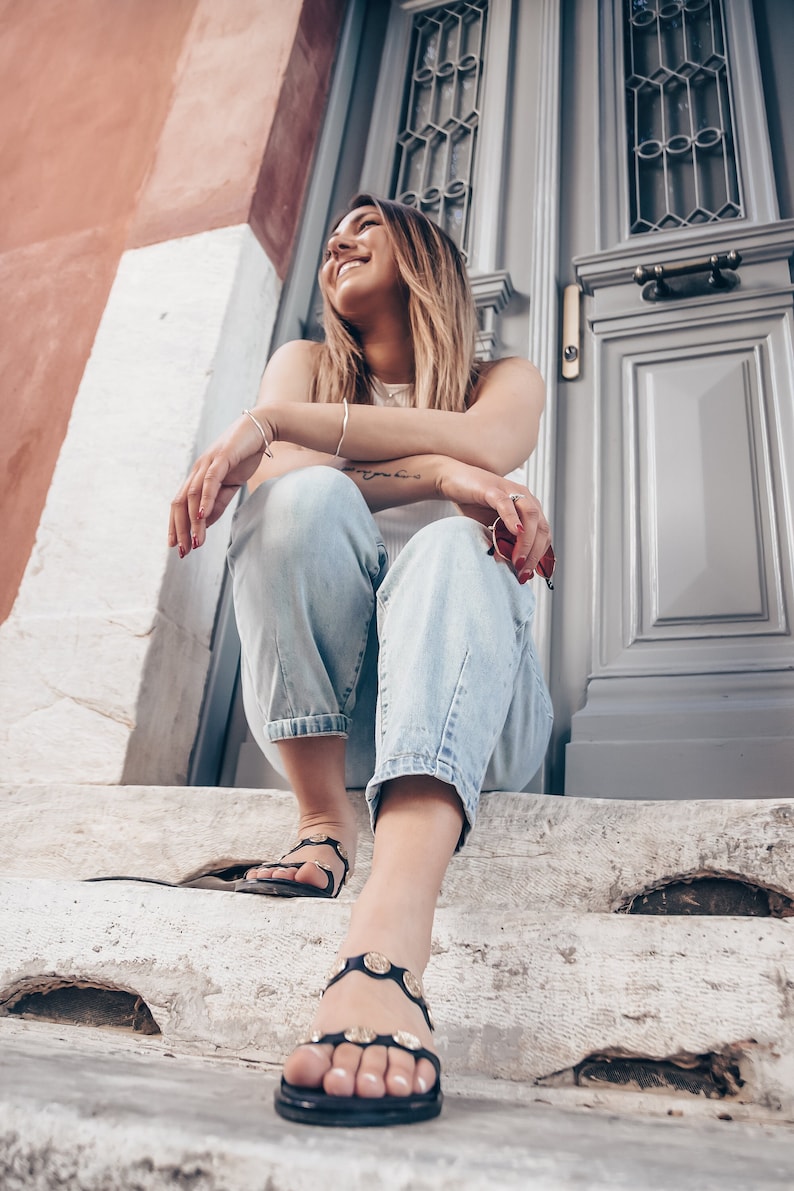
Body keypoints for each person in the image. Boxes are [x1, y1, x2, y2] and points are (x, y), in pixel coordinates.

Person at [169, 194, 554, 1127]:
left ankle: (386, 946)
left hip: (473, 721)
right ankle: (322, 819)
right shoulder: (304, 364)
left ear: (420, 253)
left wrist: (279, 424)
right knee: (299, 502)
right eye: (332, 232)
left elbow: (487, 445)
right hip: (343, 718)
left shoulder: (504, 378)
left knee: (455, 546)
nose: (337, 239)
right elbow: (278, 482)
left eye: (364, 226)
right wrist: (440, 474)